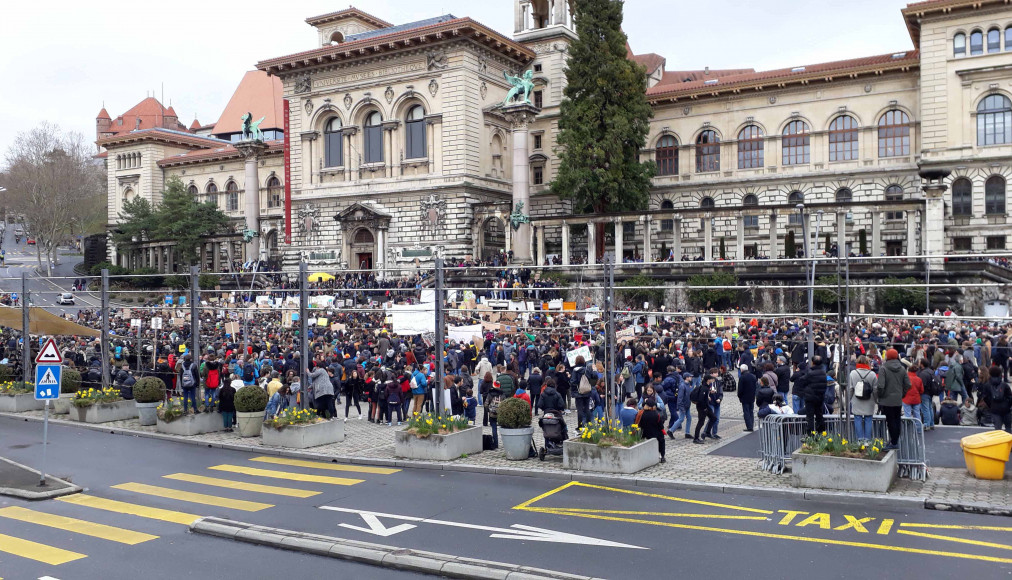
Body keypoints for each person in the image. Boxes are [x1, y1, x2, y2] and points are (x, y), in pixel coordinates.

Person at [877, 348, 910, 450]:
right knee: (897, 419)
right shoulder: (902, 368)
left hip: (886, 400)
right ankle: (895, 440)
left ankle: (893, 442)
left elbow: (880, 386)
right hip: (897, 399)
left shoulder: (883, 368)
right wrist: (902, 394)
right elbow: (908, 384)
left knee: (890, 420)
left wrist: (881, 395)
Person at [849, 355, 878, 442]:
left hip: (856, 399)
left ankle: (860, 439)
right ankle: (867, 440)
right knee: (868, 419)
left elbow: (850, 388)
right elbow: (875, 389)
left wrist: (849, 399)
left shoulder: (853, 373)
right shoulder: (872, 374)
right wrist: (876, 400)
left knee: (857, 418)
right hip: (869, 400)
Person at [571, 356, 599, 429]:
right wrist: (595, 370)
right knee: (587, 408)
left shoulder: (575, 370)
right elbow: (594, 377)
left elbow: (573, 382)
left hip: (578, 392)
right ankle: (589, 423)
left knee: (580, 409)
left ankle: (580, 425)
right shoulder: (587, 369)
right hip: (587, 391)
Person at [983, 364, 1012, 432]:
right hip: (1006, 410)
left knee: (997, 430)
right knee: (1008, 428)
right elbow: (1010, 397)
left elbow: (985, 398)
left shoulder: (987, 385)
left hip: (995, 410)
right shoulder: (1004, 385)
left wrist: (991, 405)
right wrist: (1008, 405)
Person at [804, 356, 829, 435]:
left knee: (810, 418)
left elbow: (803, 381)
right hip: (820, 398)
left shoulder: (810, 373)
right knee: (819, 416)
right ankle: (821, 433)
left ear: (813, 363)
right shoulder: (824, 373)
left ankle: (810, 435)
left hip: (810, 398)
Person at [637, 397, 666, 463]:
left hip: (644, 433)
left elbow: (640, 424)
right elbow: (661, 426)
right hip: (655, 434)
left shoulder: (642, 414)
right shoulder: (656, 414)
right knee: (662, 440)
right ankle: (662, 456)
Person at [692, 376, 717, 444]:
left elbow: (704, 396)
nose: (712, 380)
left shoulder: (707, 387)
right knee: (701, 422)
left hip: (706, 406)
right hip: (702, 407)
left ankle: (707, 432)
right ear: (708, 380)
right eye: (711, 379)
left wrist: (707, 397)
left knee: (713, 418)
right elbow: (701, 399)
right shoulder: (704, 388)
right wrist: (704, 408)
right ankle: (696, 438)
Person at [671, 374, 693, 439]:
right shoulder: (682, 386)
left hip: (687, 405)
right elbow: (679, 398)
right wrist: (681, 407)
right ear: (686, 378)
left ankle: (687, 433)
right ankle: (671, 430)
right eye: (690, 377)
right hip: (683, 405)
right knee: (681, 419)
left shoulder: (688, 384)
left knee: (689, 418)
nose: (691, 378)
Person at [903, 362, 925, 430]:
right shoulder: (918, 379)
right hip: (916, 399)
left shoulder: (905, 378)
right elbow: (922, 390)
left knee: (907, 414)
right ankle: (918, 429)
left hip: (906, 398)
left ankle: (908, 429)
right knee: (917, 414)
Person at [738, 364, 757, 432]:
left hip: (745, 397)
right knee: (751, 411)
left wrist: (739, 396)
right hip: (751, 396)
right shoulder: (753, 376)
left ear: (741, 370)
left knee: (746, 412)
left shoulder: (742, 377)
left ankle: (749, 426)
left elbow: (740, 389)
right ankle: (751, 424)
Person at [486, 380, 505, 449]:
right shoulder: (502, 394)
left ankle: (496, 444)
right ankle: (505, 442)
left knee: (494, 428)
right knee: (504, 428)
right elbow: (505, 403)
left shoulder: (490, 394)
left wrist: (489, 410)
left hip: (492, 414)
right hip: (500, 414)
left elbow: (486, 404)